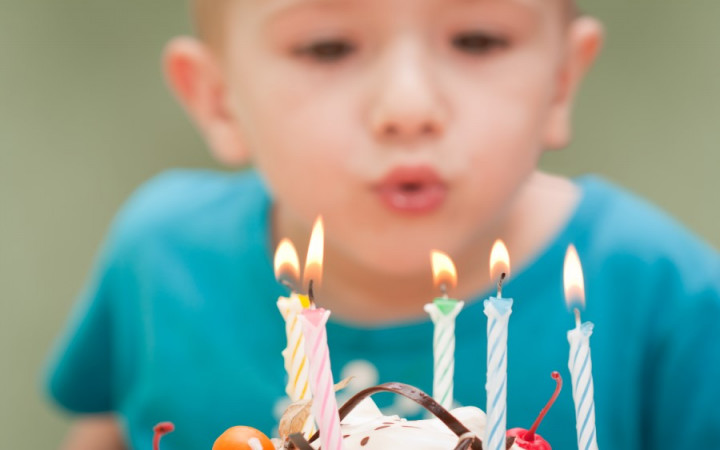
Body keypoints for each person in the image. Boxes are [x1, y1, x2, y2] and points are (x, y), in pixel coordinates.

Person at [45, 0, 720, 449]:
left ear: (562, 81)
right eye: (327, 46)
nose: (407, 106)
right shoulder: (158, 261)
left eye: (477, 38)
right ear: (218, 99)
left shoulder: (671, 299)